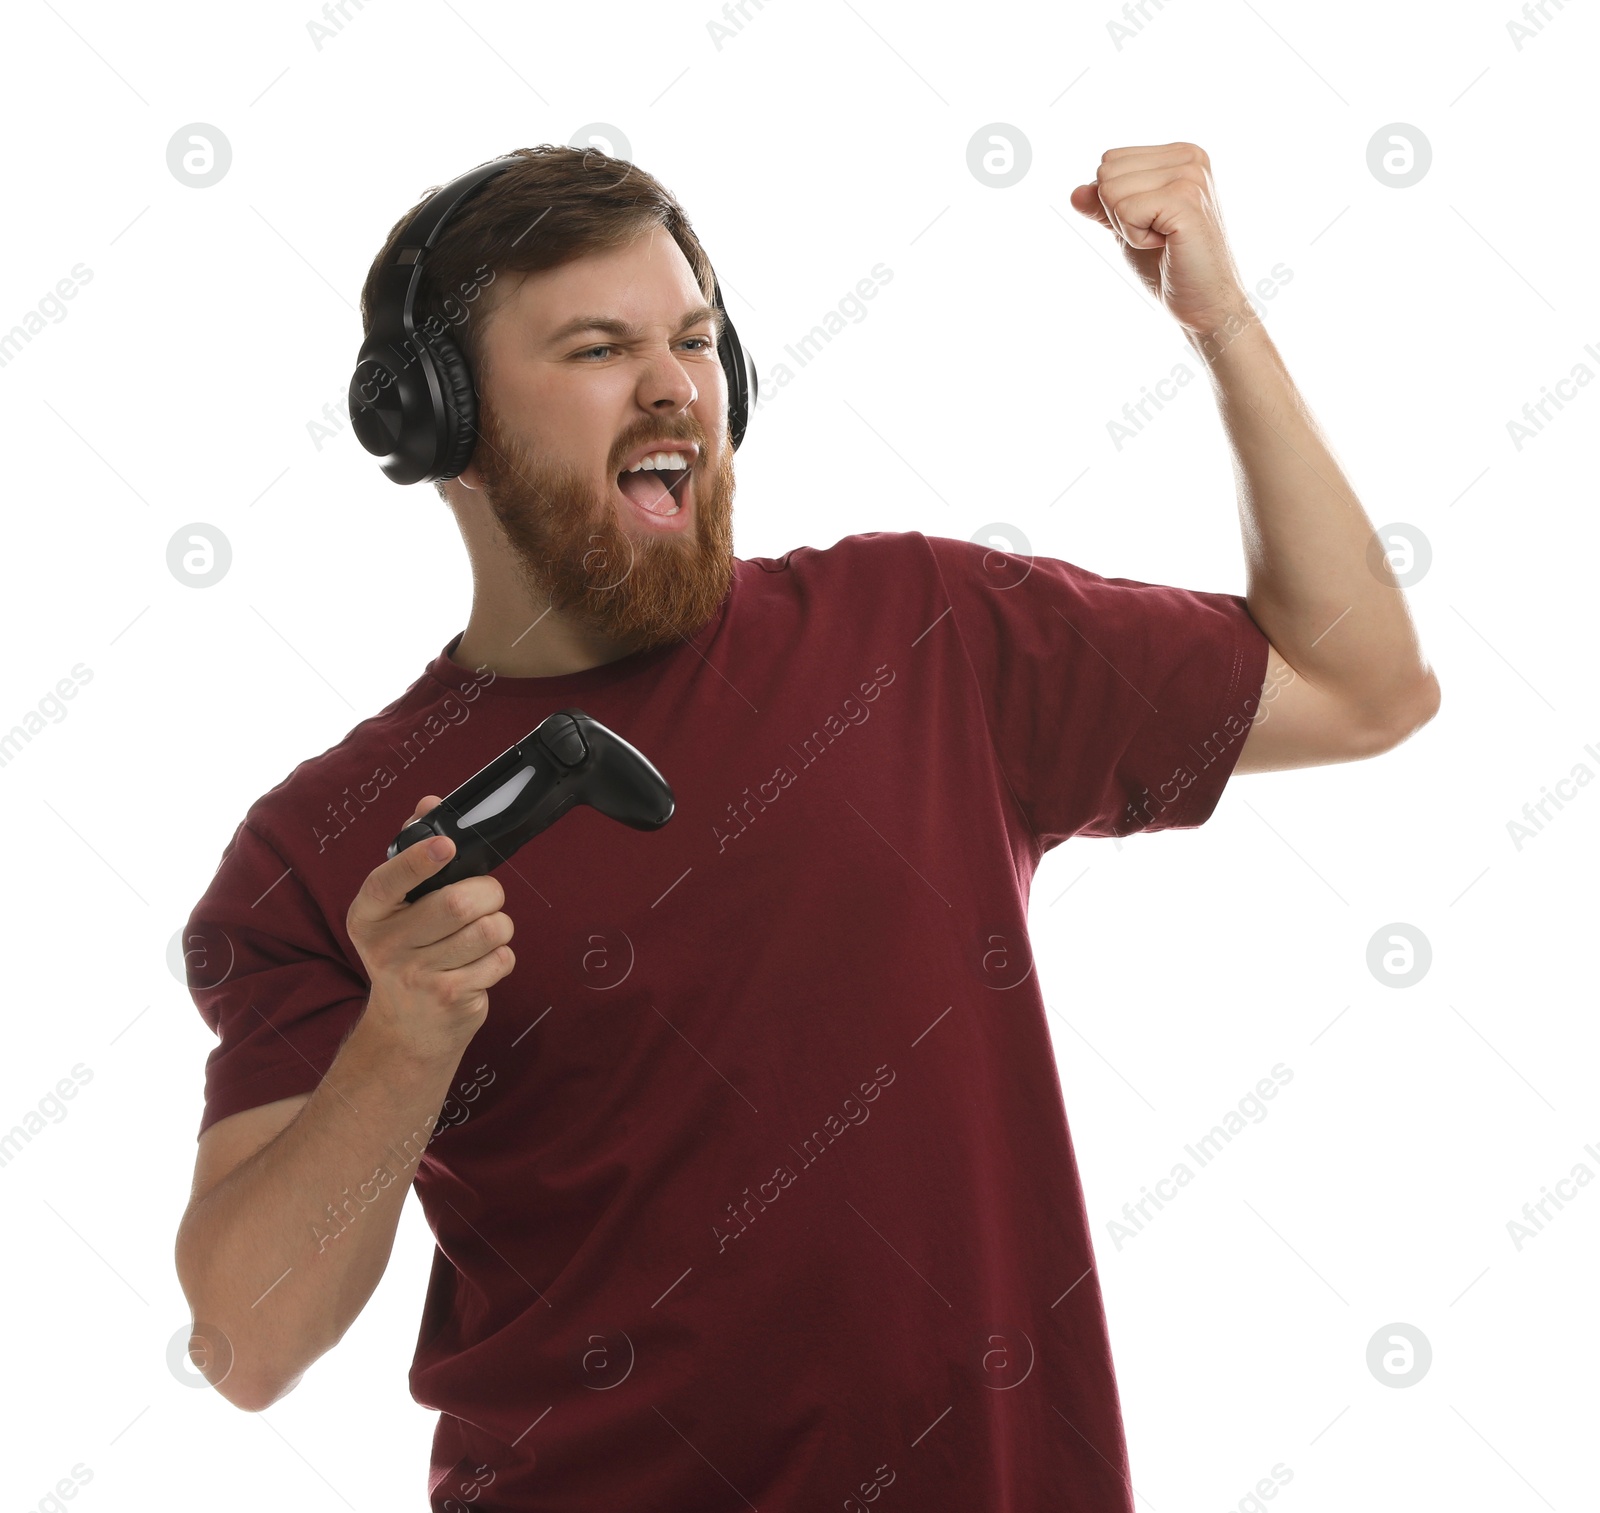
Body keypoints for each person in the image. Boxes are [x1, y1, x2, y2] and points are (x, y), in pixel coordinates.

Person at [174, 143, 1439, 1511]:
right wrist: (405, 1030)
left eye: (700, 341)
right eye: (600, 346)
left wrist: (1222, 323)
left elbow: (1365, 685)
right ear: (438, 422)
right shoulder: (329, 843)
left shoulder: (925, 635)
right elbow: (249, 1339)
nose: (675, 384)